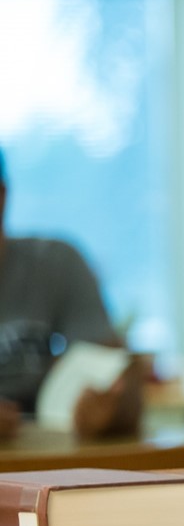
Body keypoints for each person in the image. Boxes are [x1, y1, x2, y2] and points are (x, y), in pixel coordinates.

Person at [0, 144, 143, 442]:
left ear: (2, 197)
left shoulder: (56, 263)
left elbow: (121, 386)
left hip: (48, 454)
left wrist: (110, 410)